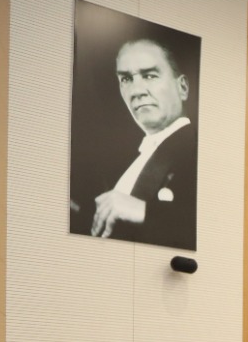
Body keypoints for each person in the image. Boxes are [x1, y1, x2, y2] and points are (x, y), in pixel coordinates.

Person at [84, 37, 198, 248]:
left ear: (182, 87)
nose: (136, 91)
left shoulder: (197, 151)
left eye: (150, 76)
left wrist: (144, 212)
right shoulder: (130, 161)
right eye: (126, 79)